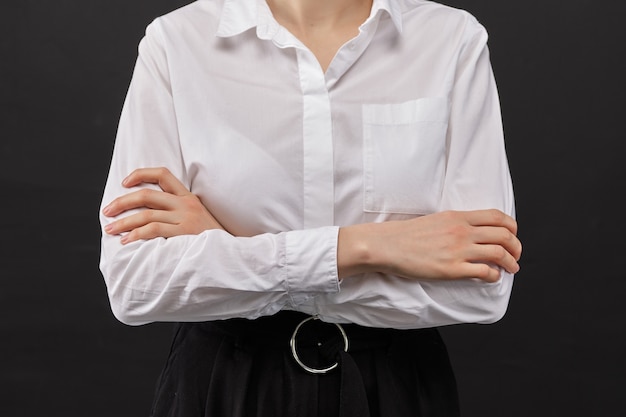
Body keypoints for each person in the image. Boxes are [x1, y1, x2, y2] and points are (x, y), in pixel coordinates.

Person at [99, 0, 522, 416]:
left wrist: (232, 248)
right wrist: (365, 248)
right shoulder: (177, 42)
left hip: (394, 385)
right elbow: (135, 282)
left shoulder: (451, 40)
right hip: (224, 384)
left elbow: (483, 290)